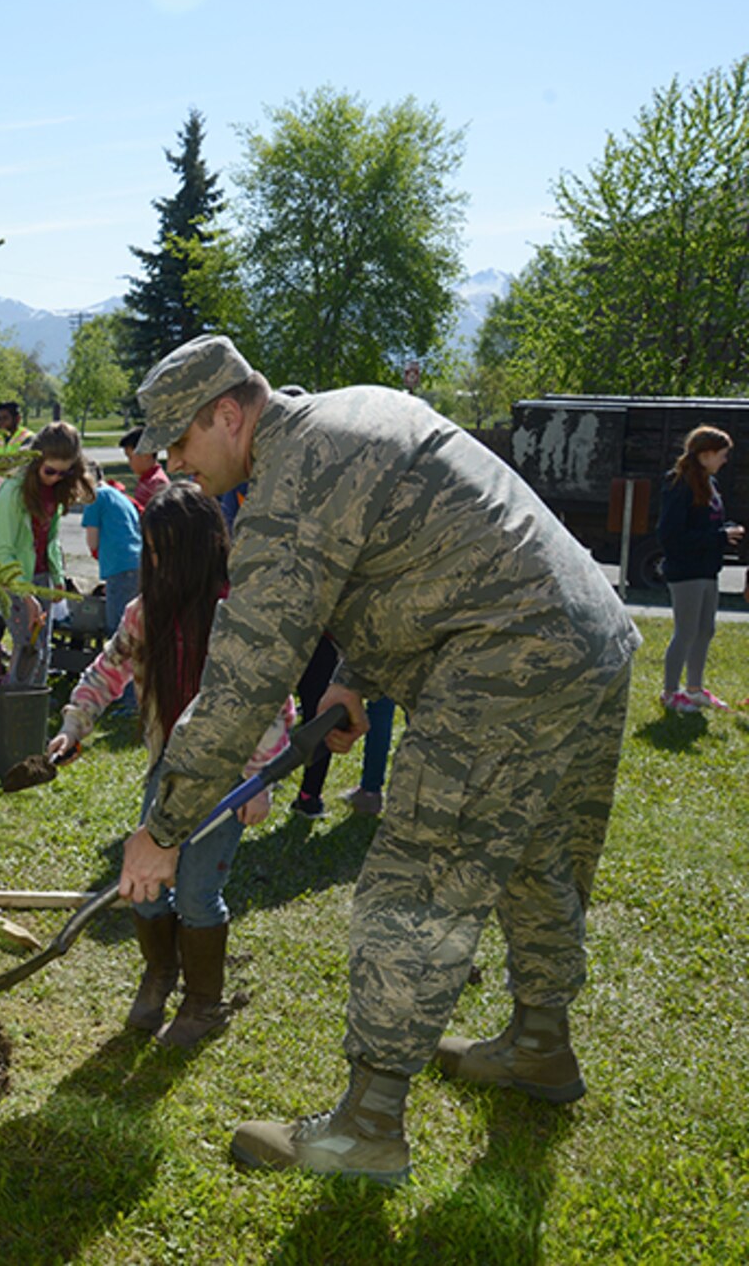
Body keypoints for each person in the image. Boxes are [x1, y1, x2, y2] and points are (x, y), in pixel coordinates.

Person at [120, 335, 639, 1184]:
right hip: (587, 636)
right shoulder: (348, 414)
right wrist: (356, 677)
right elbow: (423, 547)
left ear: (228, 413)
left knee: (418, 874)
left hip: (507, 657)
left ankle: (367, 1126)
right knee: (533, 852)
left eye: (179, 442)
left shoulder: (291, 483)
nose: (174, 464)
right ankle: (541, 1043)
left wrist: (164, 824)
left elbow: (244, 679)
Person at [50, 484, 292, 1046]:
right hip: (170, 770)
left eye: (165, 552)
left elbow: (269, 697)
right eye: (149, 551)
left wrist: (259, 778)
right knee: (144, 882)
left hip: (228, 777)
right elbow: (106, 672)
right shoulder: (145, 612)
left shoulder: (238, 612)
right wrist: (71, 727)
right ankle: (160, 973)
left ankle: (203, 1004)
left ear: (202, 547)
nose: (154, 564)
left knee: (197, 891)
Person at [0, 422, 89, 688]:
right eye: (50, 471)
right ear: (36, 461)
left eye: (65, 473)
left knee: (43, 650)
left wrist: (57, 576)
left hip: (41, 575)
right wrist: (25, 594)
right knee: (27, 648)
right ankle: (17, 707)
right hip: (13, 578)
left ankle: (34, 705)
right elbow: (3, 551)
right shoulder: (12, 492)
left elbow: (51, 538)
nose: (57, 477)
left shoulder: (56, 489)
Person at [657, 425, 741, 712]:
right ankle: (670, 693)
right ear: (705, 455)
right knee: (686, 631)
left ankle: (694, 690)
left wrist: (724, 532)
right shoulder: (678, 483)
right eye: (722, 454)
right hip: (686, 570)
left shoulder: (710, 483)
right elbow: (670, 534)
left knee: (705, 630)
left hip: (707, 569)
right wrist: (718, 537)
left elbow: (705, 524)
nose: (725, 460)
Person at [78, 460, 142, 709]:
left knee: (120, 632)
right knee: (136, 630)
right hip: (137, 564)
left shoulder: (96, 498)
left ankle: (128, 700)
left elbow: (92, 541)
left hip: (120, 569)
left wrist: (98, 553)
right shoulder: (118, 494)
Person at [118, 426, 171, 514]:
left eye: (130, 457)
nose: (129, 463)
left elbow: (161, 515)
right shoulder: (147, 479)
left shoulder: (157, 482)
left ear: (146, 454)